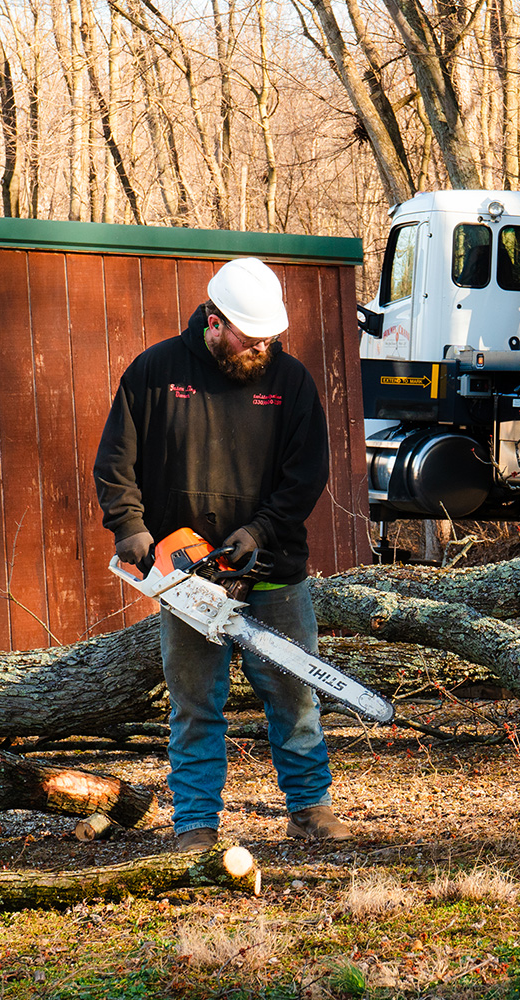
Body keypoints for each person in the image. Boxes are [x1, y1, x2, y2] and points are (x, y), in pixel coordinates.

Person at [94, 256, 351, 851]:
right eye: (249, 336)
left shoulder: (290, 382)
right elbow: (116, 463)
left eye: (269, 337)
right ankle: (197, 824)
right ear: (214, 320)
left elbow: (305, 475)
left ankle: (309, 808)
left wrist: (260, 530)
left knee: (293, 690)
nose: (261, 347)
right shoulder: (155, 373)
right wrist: (129, 528)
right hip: (188, 576)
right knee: (194, 703)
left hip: (273, 566)